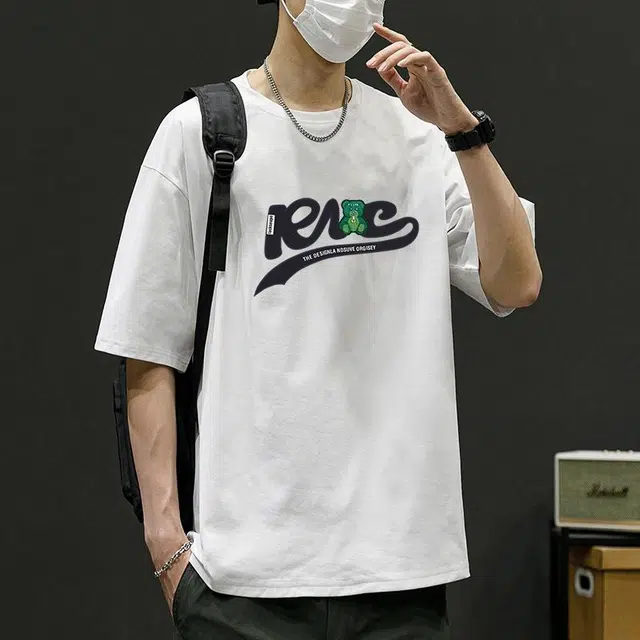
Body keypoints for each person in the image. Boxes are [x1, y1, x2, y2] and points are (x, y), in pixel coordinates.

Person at [94, 0, 541, 637]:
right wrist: (167, 547)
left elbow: (518, 283)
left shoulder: (418, 137)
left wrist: (463, 133)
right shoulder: (201, 134)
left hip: (400, 575)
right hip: (242, 583)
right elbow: (147, 348)